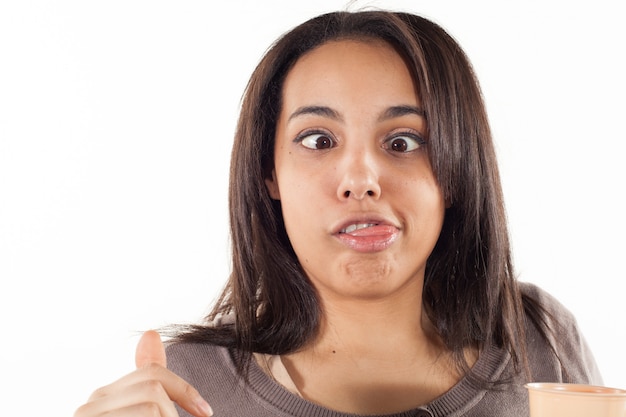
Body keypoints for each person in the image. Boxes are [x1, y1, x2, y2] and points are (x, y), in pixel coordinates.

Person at [74, 9, 602, 417]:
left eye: (403, 140)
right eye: (318, 139)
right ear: (269, 174)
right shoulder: (187, 386)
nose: (361, 181)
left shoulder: (537, 336)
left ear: (457, 171)